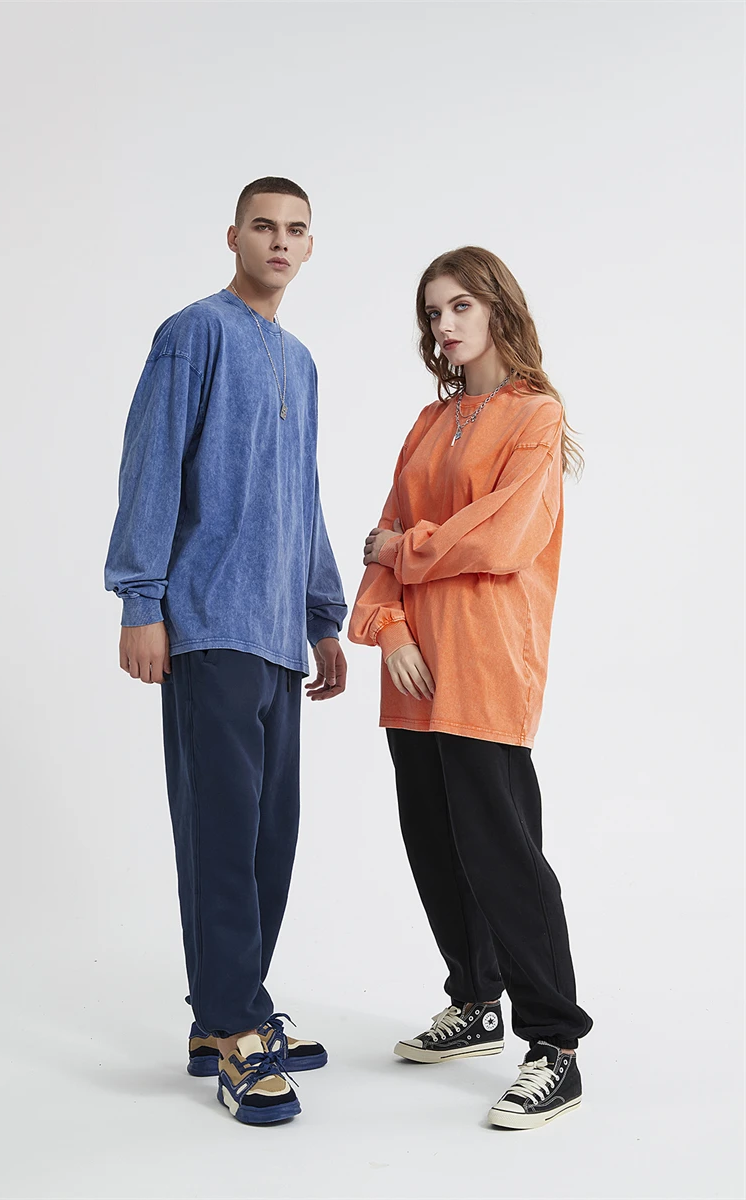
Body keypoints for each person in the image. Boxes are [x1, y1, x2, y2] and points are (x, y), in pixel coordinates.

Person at [104, 177, 347, 1126]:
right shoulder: (192, 333)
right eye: (264, 226)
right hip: (207, 621)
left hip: (277, 632)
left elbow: (304, 494)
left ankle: (226, 1016)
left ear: (310, 247)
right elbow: (151, 464)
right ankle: (237, 1026)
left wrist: (321, 616)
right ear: (234, 235)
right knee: (220, 832)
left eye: (296, 230)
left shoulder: (303, 362)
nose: (280, 242)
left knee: (268, 834)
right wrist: (142, 599)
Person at [348, 246, 593, 1130]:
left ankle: (555, 1045)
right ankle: (475, 1001)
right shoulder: (429, 421)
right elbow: (383, 532)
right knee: (433, 842)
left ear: (497, 309)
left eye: (459, 306)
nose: (444, 324)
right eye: (433, 312)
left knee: (502, 853)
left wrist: (404, 550)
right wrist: (390, 629)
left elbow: (499, 539)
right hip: (414, 667)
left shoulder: (535, 416)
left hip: (486, 663)